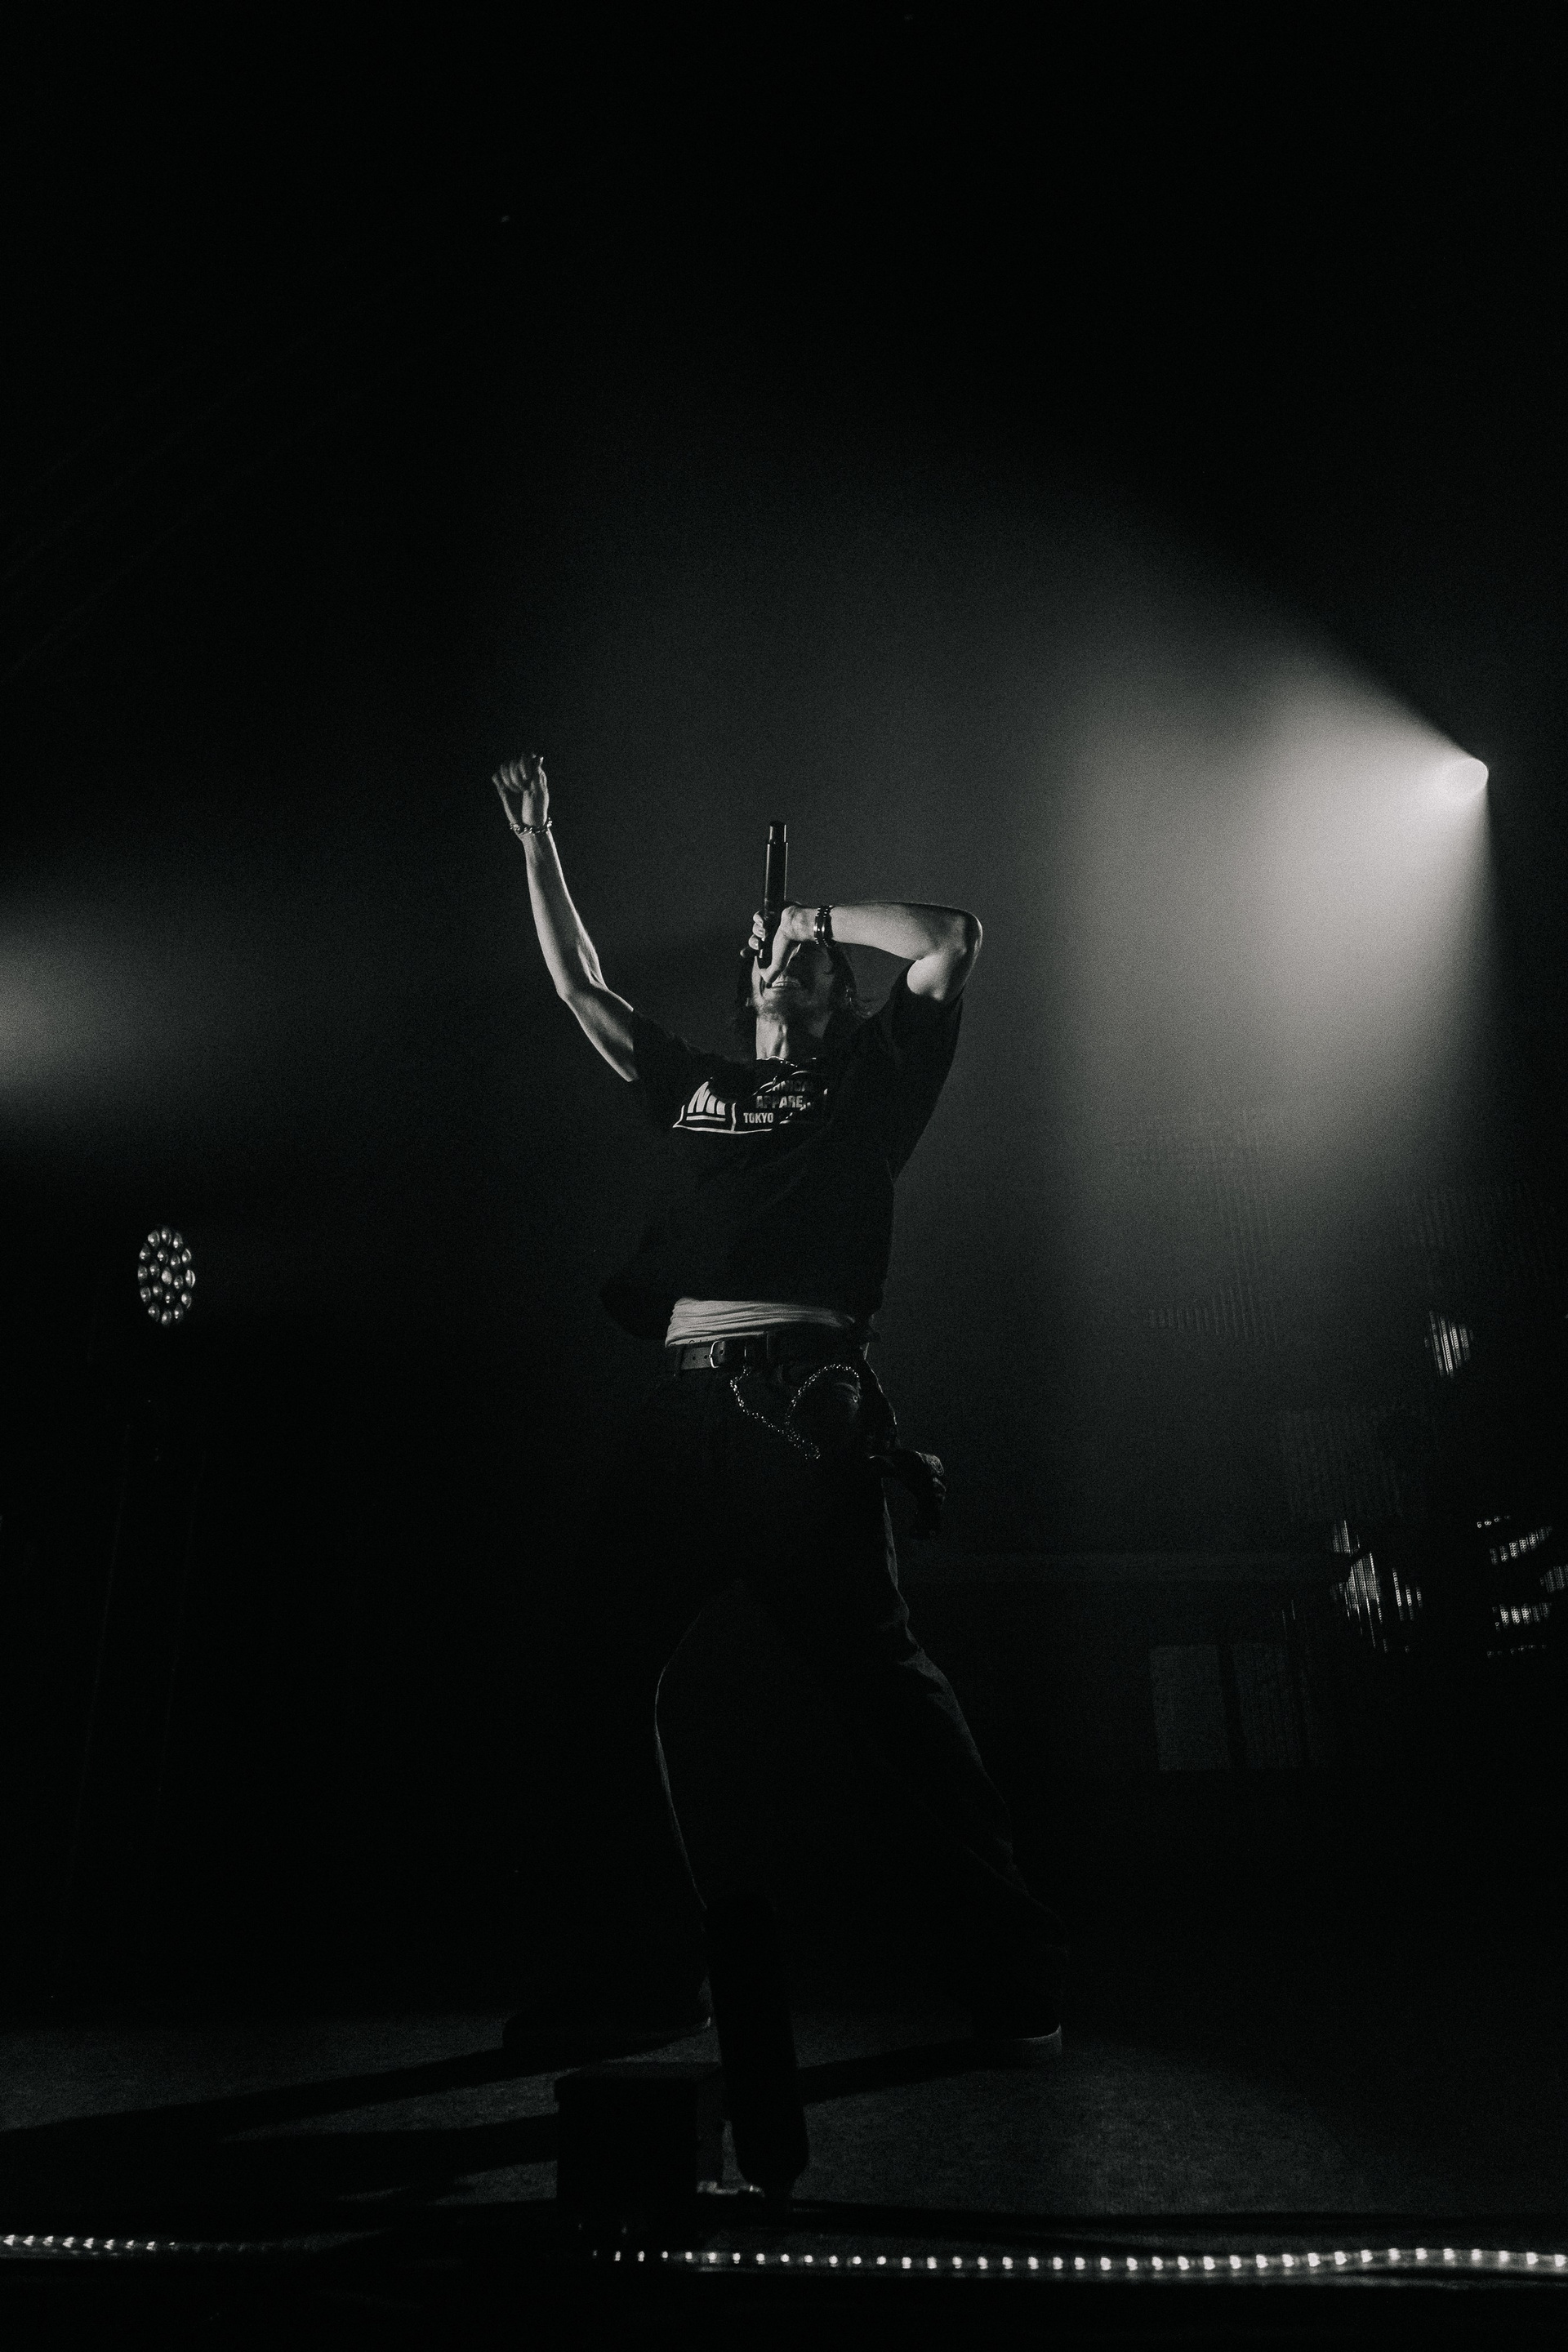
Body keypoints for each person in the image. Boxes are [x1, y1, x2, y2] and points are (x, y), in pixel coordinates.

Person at [493, 750, 1066, 2056]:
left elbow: (953, 940)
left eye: (802, 961)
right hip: (681, 1416)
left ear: (834, 988)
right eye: (770, 954)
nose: (777, 964)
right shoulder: (702, 1088)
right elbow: (582, 987)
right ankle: (646, 1975)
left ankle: (1010, 1972)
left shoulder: (869, 1080)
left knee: (886, 1694)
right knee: (588, 1672)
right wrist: (538, 844)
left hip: (800, 1421)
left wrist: (817, 914)